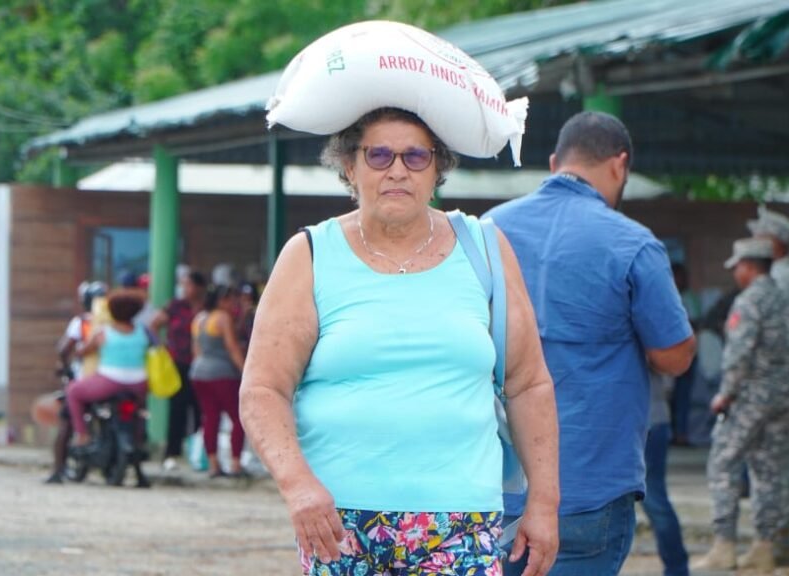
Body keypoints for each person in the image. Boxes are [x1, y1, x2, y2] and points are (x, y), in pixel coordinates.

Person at [240, 107, 560, 576]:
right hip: (338, 521)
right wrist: (298, 486)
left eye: (415, 156)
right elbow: (262, 390)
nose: (396, 170)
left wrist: (544, 502)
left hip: (463, 521)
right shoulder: (310, 254)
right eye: (379, 155)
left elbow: (528, 383)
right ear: (349, 166)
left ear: (437, 168)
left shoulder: (485, 248)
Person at [485, 111, 695, 576]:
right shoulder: (634, 244)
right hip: (589, 487)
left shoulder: (489, 230)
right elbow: (675, 356)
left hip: (495, 485)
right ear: (620, 165)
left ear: (556, 161)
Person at [693, 238, 789, 572]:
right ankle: (765, 547)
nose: (736, 272)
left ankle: (724, 545)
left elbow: (738, 355)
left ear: (750, 266)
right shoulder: (784, 299)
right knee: (769, 471)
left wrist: (725, 393)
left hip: (750, 397)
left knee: (722, 465)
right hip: (782, 395)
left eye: (737, 266)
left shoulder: (749, 301)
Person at [747, 206, 789, 566]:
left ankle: (769, 542)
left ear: (775, 244)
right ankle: (778, 543)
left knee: (766, 466)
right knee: (776, 465)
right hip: (781, 383)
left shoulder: (779, 280)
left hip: (768, 385)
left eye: (759, 237)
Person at [38, 280, 107, 484]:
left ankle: (58, 470)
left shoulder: (82, 322)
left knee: (67, 422)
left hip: (85, 379)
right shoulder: (115, 321)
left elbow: (63, 349)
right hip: (113, 378)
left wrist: (63, 365)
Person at [67, 289, 150, 450]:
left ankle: (82, 434)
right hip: (139, 383)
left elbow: (84, 351)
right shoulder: (143, 330)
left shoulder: (104, 332)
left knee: (73, 392)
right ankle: (139, 440)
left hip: (109, 381)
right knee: (139, 412)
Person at [150, 271, 206, 471]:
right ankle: (172, 452)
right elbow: (154, 324)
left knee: (201, 409)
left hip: (201, 364)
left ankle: (200, 453)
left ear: (199, 287)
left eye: (189, 285)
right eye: (183, 285)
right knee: (177, 409)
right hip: (179, 362)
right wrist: (162, 347)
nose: (185, 289)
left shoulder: (207, 308)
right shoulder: (175, 306)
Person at [190, 285, 247, 478]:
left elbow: (196, 349)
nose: (234, 304)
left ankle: (213, 464)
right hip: (222, 373)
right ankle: (236, 463)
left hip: (199, 372)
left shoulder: (200, 318)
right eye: (231, 299)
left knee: (210, 418)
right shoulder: (223, 318)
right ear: (221, 300)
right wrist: (245, 371)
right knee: (238, 418)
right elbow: (232, 347)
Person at [643, 370, 689, 576]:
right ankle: (677, 568)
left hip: (648, 421)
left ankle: (677, 568)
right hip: (649, 419)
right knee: (655, 500)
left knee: (654, 500)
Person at [672, 263, 700, 446]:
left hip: (686, 354)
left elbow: (694, 322)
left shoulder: (690, 298)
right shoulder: (667, 296)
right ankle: (673, 433)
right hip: (667, 353)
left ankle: (681, 433)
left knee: (682, 396)